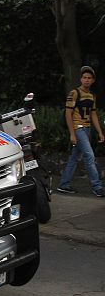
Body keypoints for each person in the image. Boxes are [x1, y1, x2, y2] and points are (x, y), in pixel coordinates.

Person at [57, 65, 105, 197]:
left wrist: (100, 132)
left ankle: (63, 184)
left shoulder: (91, 95)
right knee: (89, 156)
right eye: (84, 77)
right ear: (80, 79)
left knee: (74, 157)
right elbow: (68, 114)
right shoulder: (74, 93)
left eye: (89, 78)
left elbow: (93, 114)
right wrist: (72, 133)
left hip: (87, 129)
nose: (87, 80)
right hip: (78, 129)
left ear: (93, 80)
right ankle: (97, 186)